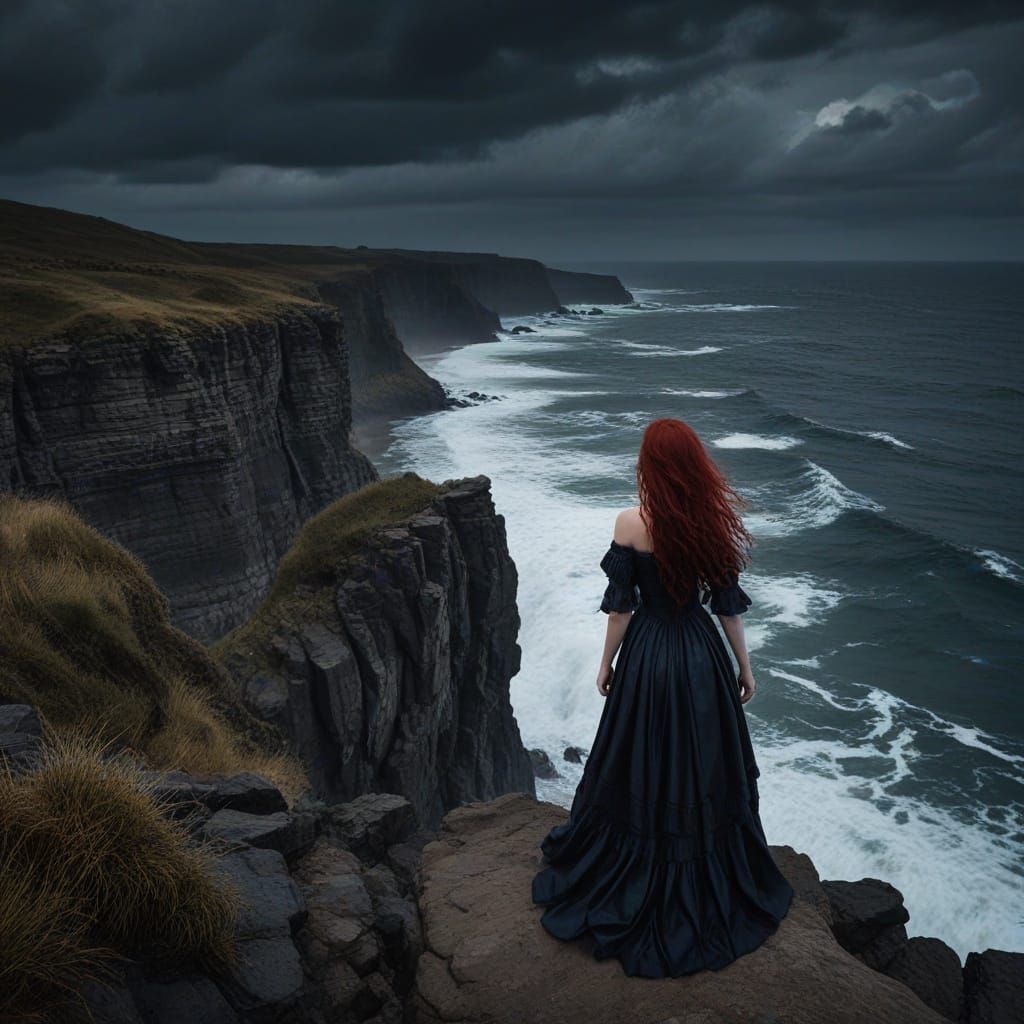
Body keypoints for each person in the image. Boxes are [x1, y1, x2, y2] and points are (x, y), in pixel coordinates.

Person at [531, 417, 794, 978]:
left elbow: (621, 607)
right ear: (695, 463)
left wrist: (606, 663)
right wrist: (744, 668)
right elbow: (726, 607)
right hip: (700, 657)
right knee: (701, 759)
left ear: (649, 465)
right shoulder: (712, 523)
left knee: (637, 753)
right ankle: (702, 864)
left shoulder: (631, 522)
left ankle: (633, 860)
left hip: (649, 656)